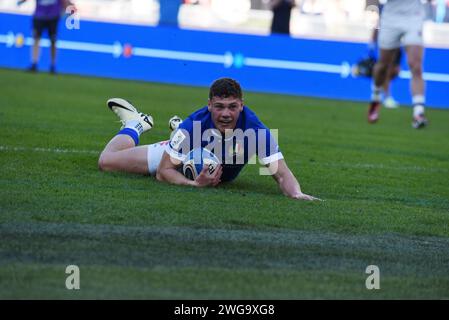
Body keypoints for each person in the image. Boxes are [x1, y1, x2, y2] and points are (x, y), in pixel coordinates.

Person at [98, 78, 319, 201]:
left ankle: (175, 137)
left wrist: (297, 194)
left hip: (191, 145)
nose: (226, 114)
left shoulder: (256, 131)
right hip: (182, 156)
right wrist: (194, 184)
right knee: (107, 162)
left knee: (184, 138)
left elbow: (282, 175)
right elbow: (163, 172)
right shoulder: (194, 125)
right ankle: (135, 124)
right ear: (209, 105)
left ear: (241, 105)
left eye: (233, 107)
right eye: (219, 107)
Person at [368, 0, 430, 129]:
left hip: (414, 16)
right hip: (390, 18)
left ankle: (418, 113)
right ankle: (375, 98)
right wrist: (374, 20)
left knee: (415, 64)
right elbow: (372, 2)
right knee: (383, 65)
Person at [20, 0, 74, 74]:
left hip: (53, 17)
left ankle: (52, 65)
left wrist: (68, 9)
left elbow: (65, 2)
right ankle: (34, 63)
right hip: (39, 16)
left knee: (53, 41)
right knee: (36, 39)